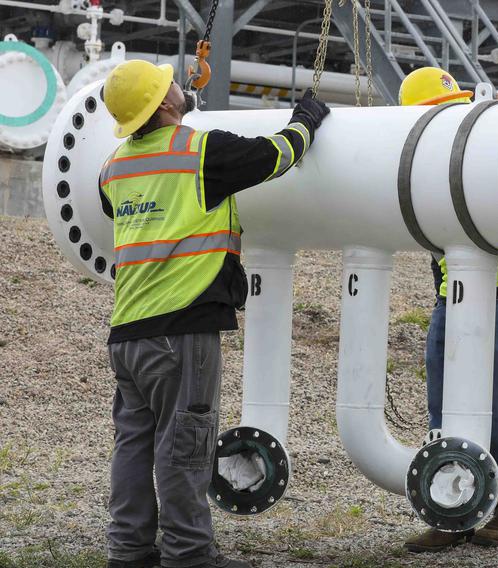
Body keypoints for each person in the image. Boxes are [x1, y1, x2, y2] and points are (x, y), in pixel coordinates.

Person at [98, 59, 329, 568]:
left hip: (127, 333)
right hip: (181, 330)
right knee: (185, 446)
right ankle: (189, 555)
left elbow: (142, 195)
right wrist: (306, 120)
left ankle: (130, 551)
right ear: (163, 104)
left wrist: (181, 117)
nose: (178, 86)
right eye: (171, 85)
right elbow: (275, 155)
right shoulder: (202, 150)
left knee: (134, 446)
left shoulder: (113, 167)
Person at [398, 67, 498, 552]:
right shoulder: (432, 158)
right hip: (454, 291)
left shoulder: (482, 146)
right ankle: (453, 505)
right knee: (444, 402)